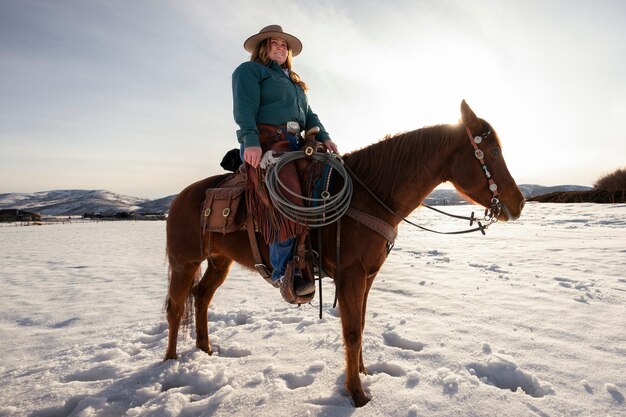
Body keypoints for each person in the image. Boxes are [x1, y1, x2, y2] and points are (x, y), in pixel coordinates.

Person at [232, 25, 337, 295]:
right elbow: (244, 108)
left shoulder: (294, 82)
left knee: (330, 179)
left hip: (298, 144)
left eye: (284, 45)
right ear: (262, 48)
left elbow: (310, 116)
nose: (280, 47)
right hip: (267, 142)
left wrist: (324, 136)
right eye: (274, 43)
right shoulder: (250, 71)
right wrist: (250, 141)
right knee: (288, 199)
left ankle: (317, 253)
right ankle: (282, 272)